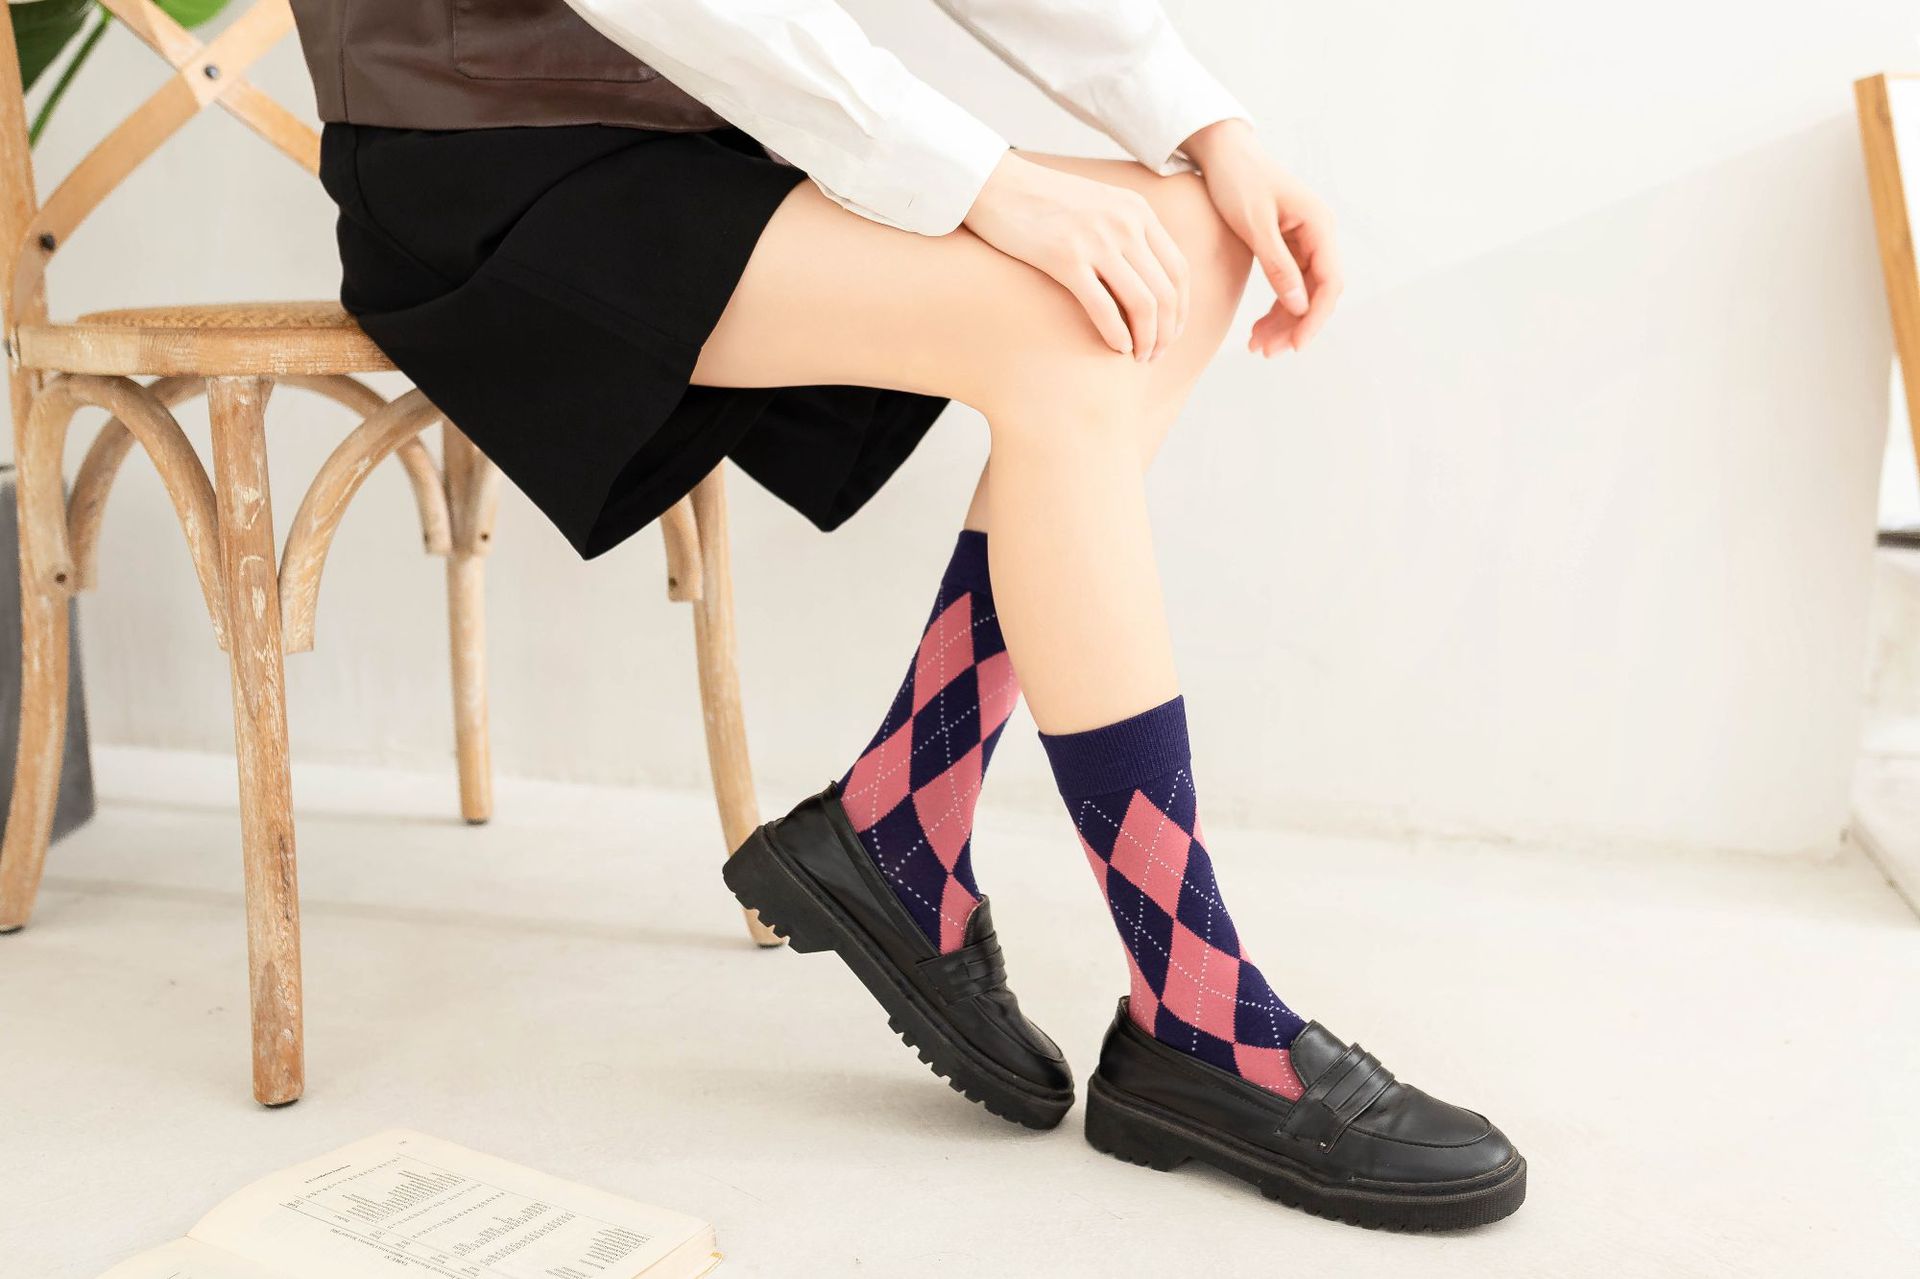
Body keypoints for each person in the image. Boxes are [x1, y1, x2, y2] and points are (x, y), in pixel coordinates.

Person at [290, 0, 1525, 1230]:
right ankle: (1194, 1003)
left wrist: (1206, 122)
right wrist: (990, 183)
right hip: (483, 161)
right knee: (1067, 328)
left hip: (698, 139)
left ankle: (908, 825)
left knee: (1195, 237)